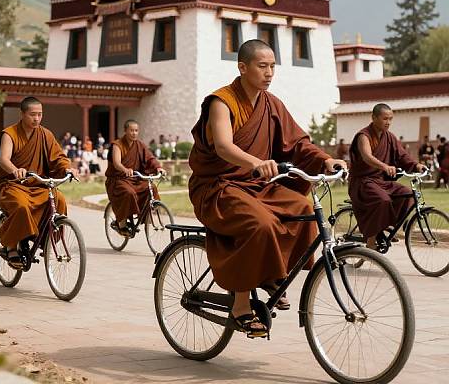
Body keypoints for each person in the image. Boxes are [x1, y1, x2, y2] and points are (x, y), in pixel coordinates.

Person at [188, 39, 346, 338]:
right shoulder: (221, 102)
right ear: (243, 67)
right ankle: (240, 306)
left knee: (302, 209)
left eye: (273, 66)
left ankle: (273, 273)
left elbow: (298, 144)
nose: (269, 73)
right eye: (262, 66)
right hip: (218, 187)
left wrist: (325, 160)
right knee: (259, 224)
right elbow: (223, 146)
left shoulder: (271, 104)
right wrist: (256, 162)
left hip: (256, 185)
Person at [0, 97, 78, 268]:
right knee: (22, 206)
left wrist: (67, 169)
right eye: (33, 115)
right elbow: (4, 159)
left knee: (59, 199)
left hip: (39, 185)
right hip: (13, 184)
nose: (37, 119)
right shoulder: (10, 134)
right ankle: (10, 246)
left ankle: (46, 239)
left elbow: (58, 158)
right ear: (22, 114)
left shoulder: (45, 134)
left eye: (40, 115)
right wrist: (14, 170)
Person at [348, 103, 426, 251]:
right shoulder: (363, 136)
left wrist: (416, 165)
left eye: (390, 119)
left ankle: (387, 226)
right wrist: (384, 166)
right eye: (385, 119)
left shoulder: (389, 137)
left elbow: (402, 155)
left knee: (406, 194)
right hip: (363, 182)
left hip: (380, 181)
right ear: (374, 118)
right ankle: (371, 240)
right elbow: (367, 156)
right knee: (382, 200)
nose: (388, 122)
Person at [105, 119, 166, 237]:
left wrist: (158, 168)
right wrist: (125, 170)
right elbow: (117, 163)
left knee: (151, 188)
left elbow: (150, 159)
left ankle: (145, 216)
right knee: (128, 193)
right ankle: (121, 224)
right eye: (131, 130)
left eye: (136, 131)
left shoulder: (140, 145)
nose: (134, 133)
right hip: (118, 179)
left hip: (135, 179)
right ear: (125, 131)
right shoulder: (117, 145)